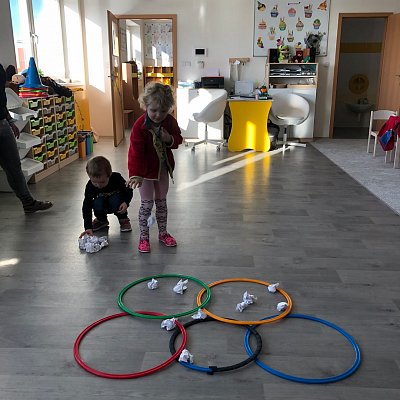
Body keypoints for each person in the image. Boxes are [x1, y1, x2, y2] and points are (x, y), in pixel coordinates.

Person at [127, 81, 183, 253]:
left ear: (169, 109)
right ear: (145, 106)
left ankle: (163, 233)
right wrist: (135, 174)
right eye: (154, 110)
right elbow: (135, 152)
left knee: (161, 202)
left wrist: (169, 139)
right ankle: (144, 237)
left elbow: (178, 139)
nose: (158, 115)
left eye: (163, 111)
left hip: (162, 170)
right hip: (144, 173)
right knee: (146, 204)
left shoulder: (170, 122)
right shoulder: (140, 126)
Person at [0, 63, 53, 214]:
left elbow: (1, 98)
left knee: (14, 166)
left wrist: (10, 121)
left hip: (3, 122)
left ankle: (28, 203)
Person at [80, 156, 133, 237]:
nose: (98, 185)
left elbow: (128, 190)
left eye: (102, 182)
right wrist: (88, 227)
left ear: (109, 175)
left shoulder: (116, 178)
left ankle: (123, 219)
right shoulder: (90, 186)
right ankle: (102, 220)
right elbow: (86, 206)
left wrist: (126, 202)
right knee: (96, 202)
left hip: (116, 203)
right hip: (101, 205)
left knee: (116, 199)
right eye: (94, 182)